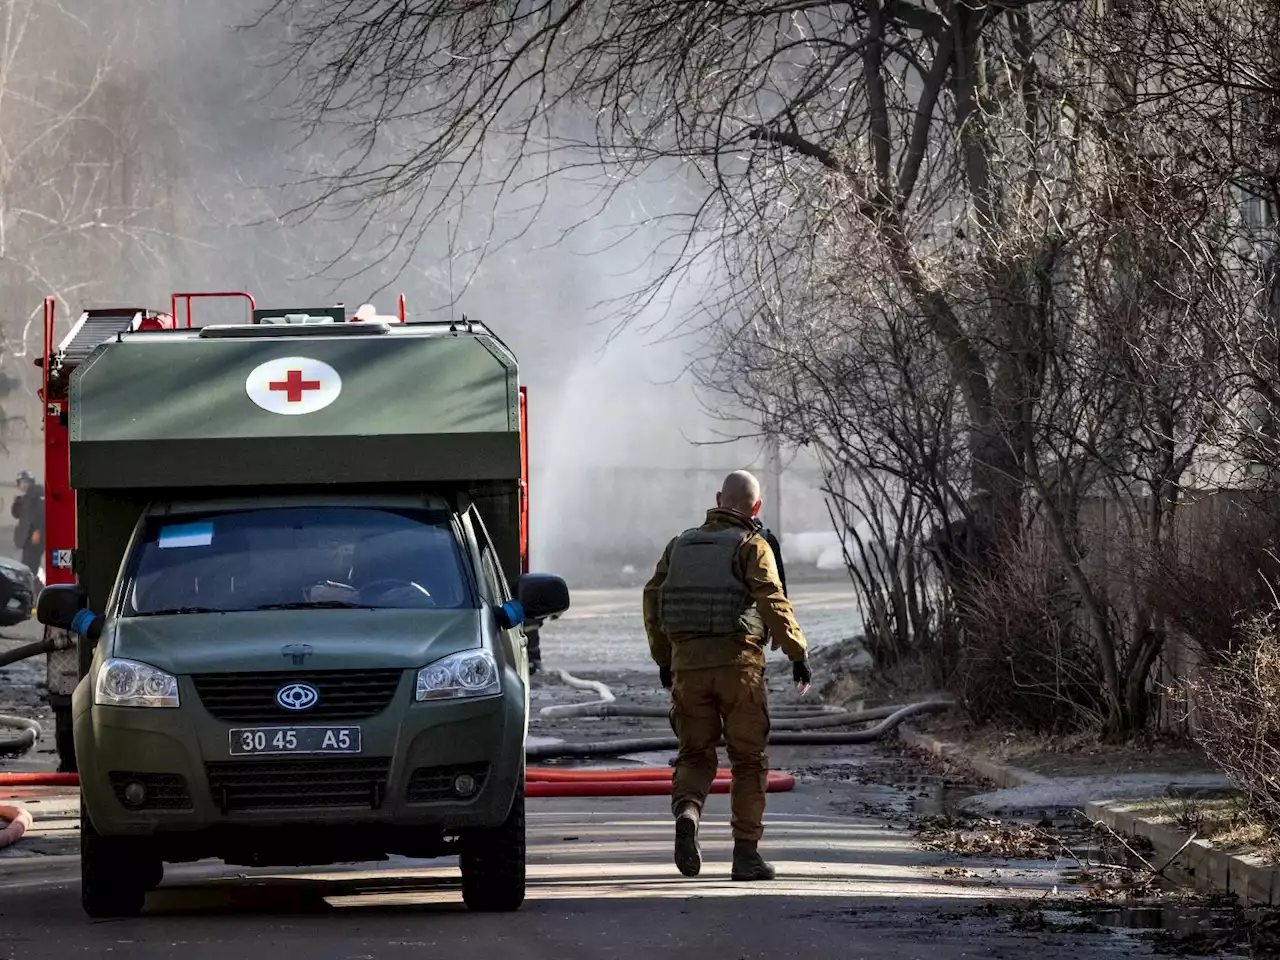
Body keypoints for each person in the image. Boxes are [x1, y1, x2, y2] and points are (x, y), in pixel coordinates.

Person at [643, 469, 811, 882]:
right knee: (749, 762)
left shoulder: (678, 545)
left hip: (688, 669)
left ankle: (688, 813)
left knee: (694, 755)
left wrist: (665, 659)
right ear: (755, 508)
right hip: (739, 669)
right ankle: (746, 856)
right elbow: (772, 599)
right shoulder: (752, 545)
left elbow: (652, 600)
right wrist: (797, 653)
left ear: (719, 498)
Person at [11, 470, 44, 575]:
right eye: (21, 482)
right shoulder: (26, 497)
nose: (24, 484)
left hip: (33, 538)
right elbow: (17, 514)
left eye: (26, 482)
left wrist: (37, 531)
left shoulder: (37, 493)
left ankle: (32, 587)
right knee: (27, 565)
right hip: (26, 539)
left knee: (30, 566)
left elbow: (41, 513)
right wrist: (17, 502)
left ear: (31, 482)